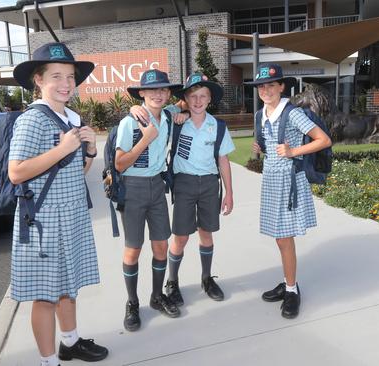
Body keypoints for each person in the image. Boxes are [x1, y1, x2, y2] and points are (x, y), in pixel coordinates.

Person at [9, 42, 109, 366]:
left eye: (70, 76)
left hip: (72, 214)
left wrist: (90, 152)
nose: (66, 83)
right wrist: (63, 148)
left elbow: (74, 174)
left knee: (70, 287)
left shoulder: (70, 117)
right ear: (38, 80)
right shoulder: (32, 120)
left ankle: (70, 343)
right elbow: (16, 172)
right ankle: (48, 361)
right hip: (44, 221)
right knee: (45, 296)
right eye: (56, 76)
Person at [131, 72, 235, 306]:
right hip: (184, 183)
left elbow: (223, 160)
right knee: (180, 237)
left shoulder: (217, 126)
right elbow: (151, 109)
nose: (198, 101)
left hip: (209, 184)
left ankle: (207, 278)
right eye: (192, 96)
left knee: (206, 234)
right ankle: (172, 281)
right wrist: (133, 109)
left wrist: (229, 192)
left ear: (210, 99)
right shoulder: (173, 118)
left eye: (203, 96)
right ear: (185, 98)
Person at [246, 63, 332, 319]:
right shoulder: (261, 114)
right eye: (261, 86)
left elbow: (324, 140)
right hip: (271, 181)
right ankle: (288, 281)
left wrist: (294, 151)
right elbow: (265, 144)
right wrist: (261, 148)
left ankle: (292, 289)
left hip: (289, 181)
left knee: (284, 238)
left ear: (281, 86)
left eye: (271, 85)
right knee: (279, 236)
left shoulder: (292, 113)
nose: (266, 90)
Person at [115, 69, 183, 331]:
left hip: (157, 186)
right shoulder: (129, 123)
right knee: (133, 249)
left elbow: (187, 102)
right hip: (132, 187)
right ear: (141, 93)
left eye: (164, 89)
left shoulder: (167, 115)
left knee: (161, 247)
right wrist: (145, 139)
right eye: (152, 89)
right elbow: (119, 164)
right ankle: (132, 302)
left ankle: (156, 297)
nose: (159, 93)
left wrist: (183, 111)